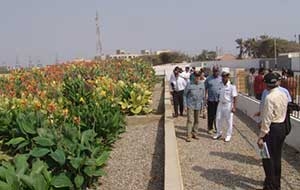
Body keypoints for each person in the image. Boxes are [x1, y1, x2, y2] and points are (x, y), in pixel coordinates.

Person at [257, 72, 288, 190]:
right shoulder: (283, 94)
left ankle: (270, 185)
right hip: (281, 127)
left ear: (266, 84)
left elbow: (267, 119)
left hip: (271, 129)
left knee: (266, 157)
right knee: (277, 158)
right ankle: (276, 184)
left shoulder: (269, 98)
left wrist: (261, 136)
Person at [213, 68, 237, 142]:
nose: (224, 78)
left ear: (228, 77)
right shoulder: (220, 84)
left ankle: (228, 135)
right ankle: (218, 133)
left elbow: (235, 97)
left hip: (228, 105)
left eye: (225, 76)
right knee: (218, 119)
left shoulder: (232, 86)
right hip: (220, 104)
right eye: (223, 76)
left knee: (229, 121)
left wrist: (234, 107)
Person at [183, 71, 205, 142]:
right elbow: (185, 95)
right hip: (190, 105)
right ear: (194, 77)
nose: (197, 78)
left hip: (198, 105)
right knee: (190, 120)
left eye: (198, 76)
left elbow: (203, 96)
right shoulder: (189, 84)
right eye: (196, 76)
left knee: (197, 120)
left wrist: (203, 106)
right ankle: (188, 136)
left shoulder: (202, 85)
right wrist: (185, 105)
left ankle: (195, 133)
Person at [205, 66, 222, 134]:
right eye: (215, 71)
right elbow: (205, 88)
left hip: (218, 100)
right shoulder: (208, 79)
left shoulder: (221, 79)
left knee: (218, 115)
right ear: (213, 71)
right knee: (210, 115)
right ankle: (210, 128)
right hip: (211, 100)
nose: (216, 72)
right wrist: (205, 97)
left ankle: (217, 128)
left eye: (217, 71)